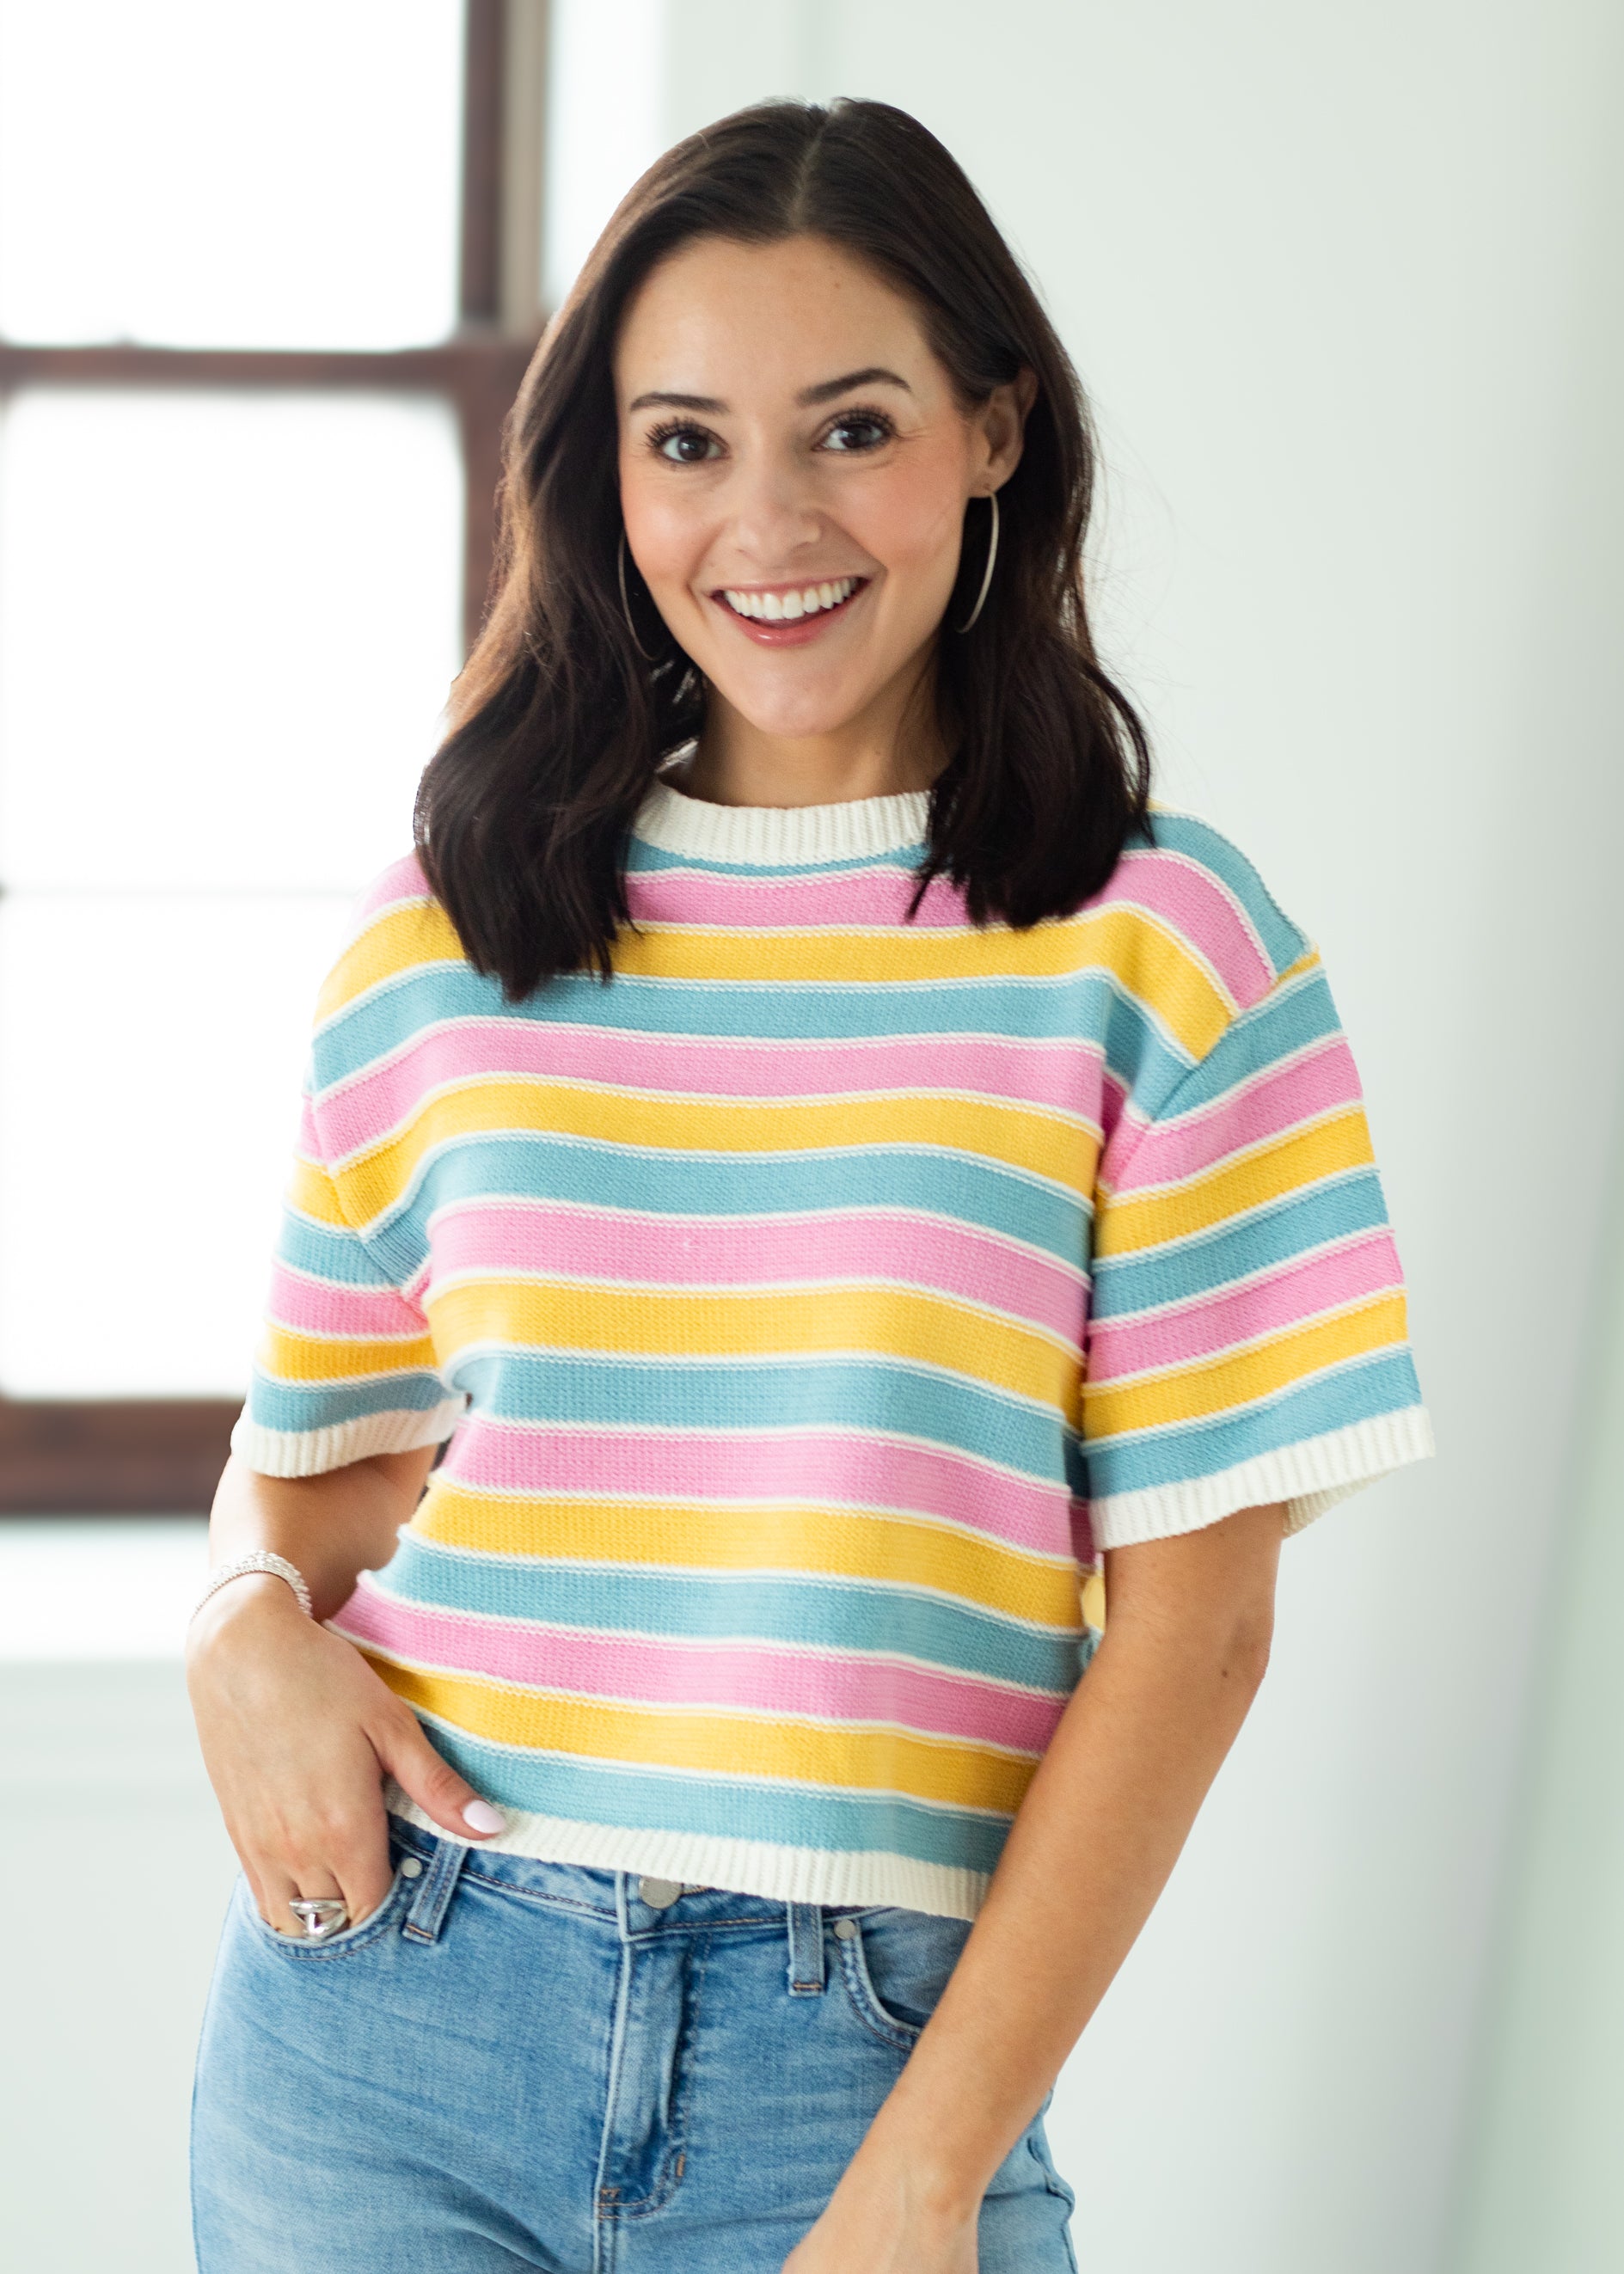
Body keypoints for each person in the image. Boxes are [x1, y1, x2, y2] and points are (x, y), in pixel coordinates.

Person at [186, 96, 1432, 2274]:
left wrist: (934, 2170)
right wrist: (231, 1630)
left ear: (992, 431)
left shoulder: (1162, 958)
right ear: (610, 477)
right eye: (686, 443)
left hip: (851, 2060)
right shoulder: (445, 938)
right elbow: (309, 1487)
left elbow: (1201, 1633)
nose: (766, 517)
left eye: (848, 427)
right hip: (385, 2016)